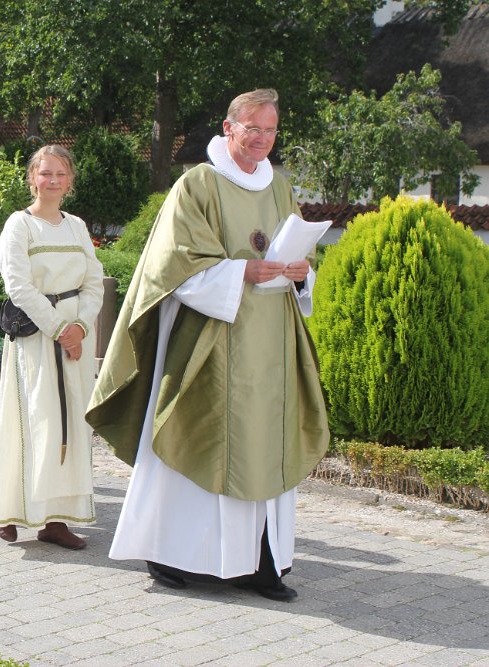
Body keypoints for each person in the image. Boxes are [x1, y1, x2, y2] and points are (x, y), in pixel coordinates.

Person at [85, 89, 329, 601]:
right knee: (196, 438)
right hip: (211, 344)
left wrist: (300, 273)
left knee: (266, 446)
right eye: (253, 128)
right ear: (228, 128)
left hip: (271, 344)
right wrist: (241, 272)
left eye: (270, 130)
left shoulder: (279, 187)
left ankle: (261, 564)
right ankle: (173, 556)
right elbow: (172, 266)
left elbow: (292, 249)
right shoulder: (198, 184)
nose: (262, 139)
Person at [0, 145, 104, 549]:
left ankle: (55, 519)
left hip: (77, 338)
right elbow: (18, 285)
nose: (53, 180)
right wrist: (59, 329)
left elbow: (94, 282)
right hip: (38, 336)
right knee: (36, 421)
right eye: (45, 173)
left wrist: (80, 327)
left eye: (60, 174)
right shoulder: (19, 225)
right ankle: (8, 507)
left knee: (71, 425)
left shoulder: (77, 226)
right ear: (32, 177)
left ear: (70, 180)